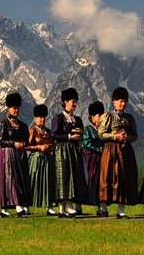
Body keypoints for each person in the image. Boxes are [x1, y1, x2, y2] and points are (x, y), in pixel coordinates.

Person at [98, 87, 138, 219]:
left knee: (124, 179)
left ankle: (121, 210)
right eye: (120, 101)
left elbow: (135, 135)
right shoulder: (107, 116)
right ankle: (102, 208)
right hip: (111, 151)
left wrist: (127, 137)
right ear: (114, 102)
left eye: (125, 101)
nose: (123, 104)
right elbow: (101, 134)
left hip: (126, 152)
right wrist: (115, 136)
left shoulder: (129, 118)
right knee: (108, 177)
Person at [0, 92, 32, 217]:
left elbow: (27, 140)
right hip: (7, 155)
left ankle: (21, 204)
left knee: (21, 179)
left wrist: (22, 144)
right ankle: (13, 207)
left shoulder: (22, 125)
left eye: (17, 108)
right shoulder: (2, 124)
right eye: (14, 108)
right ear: (8, 108)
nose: (16, 110)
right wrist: (13, 143)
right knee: (10, 180)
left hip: (20, 155)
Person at [52, 88, 87, 217]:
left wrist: (78, 137)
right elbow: (54, 135)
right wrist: (69, 137)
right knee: (64, 177)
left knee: (73, 176)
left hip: (74, 150)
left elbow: (82, 133)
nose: (75, 104)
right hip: (62, 151)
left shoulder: (78, 119)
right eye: (73, 101)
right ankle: (70, 206)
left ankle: (62, 209)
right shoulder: (59, 118)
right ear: (65, 102)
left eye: (76, 101)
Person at [26, 105, 55, 216]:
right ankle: (27, 206)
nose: (42, 119)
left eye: (43, 117)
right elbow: (27, 146)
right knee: (33, 182)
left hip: (47, 159)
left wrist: (49, 147)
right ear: (35, 118)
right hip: (36, 160)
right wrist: (38, 147)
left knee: (47, 182)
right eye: (39, 117)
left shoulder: (48, 131)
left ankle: (50, 206)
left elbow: (53, 144)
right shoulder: (32, 131)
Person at [83, 101, 105, 216]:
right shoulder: (88, 129)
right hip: (91, 160)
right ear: (92, 117)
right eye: (98, 115)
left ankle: (102, 206)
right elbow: (87, 143)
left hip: (103, 159)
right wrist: (101, 150)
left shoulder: (104, 130)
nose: (100, 117)